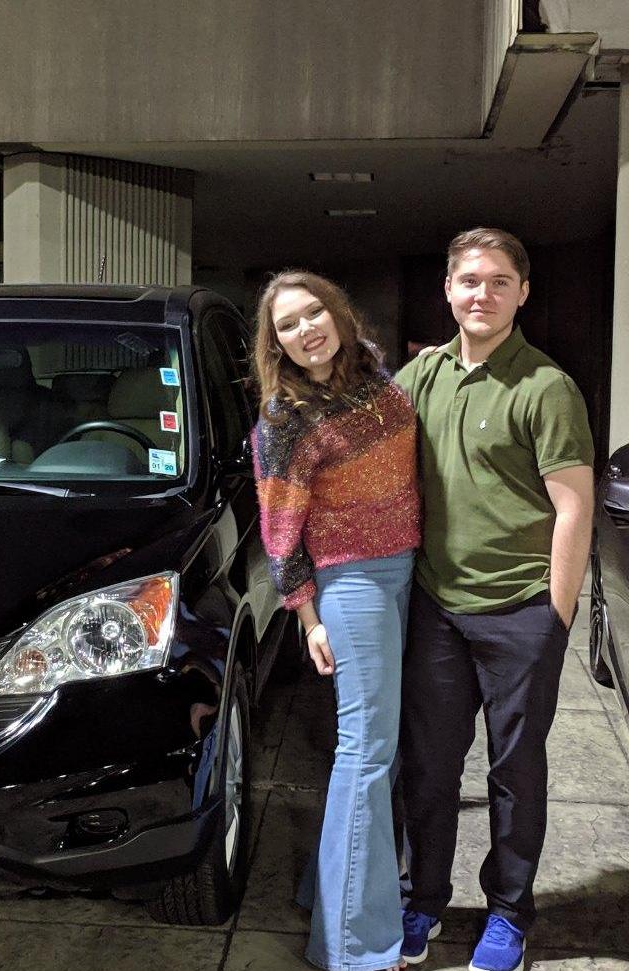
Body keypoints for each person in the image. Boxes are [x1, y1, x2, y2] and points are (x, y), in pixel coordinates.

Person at [394, 228, 595, 971]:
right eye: (469, 280)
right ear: (447, 289)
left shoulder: (544, 386)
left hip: (518, 612)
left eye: (498, 281)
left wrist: (556, 616)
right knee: (428, 767)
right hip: (437, 607)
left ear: (521, 292)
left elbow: (573, 506)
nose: (482, 293)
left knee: (514, 773)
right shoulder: (422, 377)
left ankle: (508, 914)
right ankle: (422, 901)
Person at [251, 270, 420, 971]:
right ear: (275, 345)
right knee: (365, 752)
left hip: (404, 571)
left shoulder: (377, 378)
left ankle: (337, 894)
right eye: (286, 326)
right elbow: (278, 529)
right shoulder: (285, 419)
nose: (303, 330)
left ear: (338, 312)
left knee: (382, 750)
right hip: (349, 584)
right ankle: (352, 946)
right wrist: (308, 616)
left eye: (311, 312)